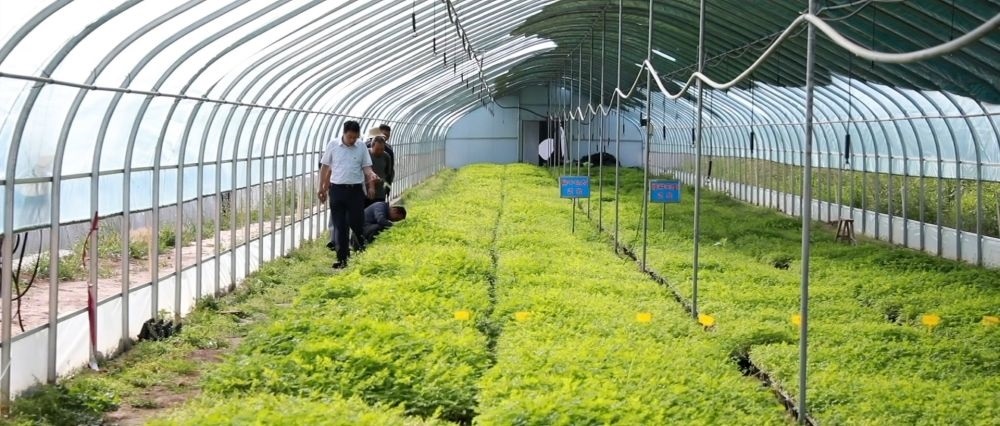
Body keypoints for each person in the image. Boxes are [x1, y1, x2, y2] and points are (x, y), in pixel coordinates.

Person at [318, 120, 380, 269]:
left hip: (355, 191)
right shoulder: (333, 145)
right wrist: (321, 188)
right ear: (344, 133)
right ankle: (342, 259)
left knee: (356, 223)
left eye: (355, 137)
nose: (352, 140)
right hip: (337, 190)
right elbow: (325, 167)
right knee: (340, 226)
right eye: (350, 137)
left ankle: (360, 251)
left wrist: (371, 176)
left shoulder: (361, 147)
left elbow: (367, 167)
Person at [366, 136, 392, 206]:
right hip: (365, 192)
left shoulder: (386, 157)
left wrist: (386, 187)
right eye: (377, 149)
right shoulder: (365, 154)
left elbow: (388, 174)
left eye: (382, 149)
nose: (380, 151)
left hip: (380, 193)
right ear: (372, 146)